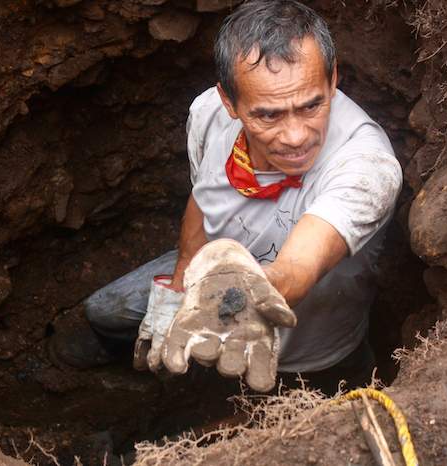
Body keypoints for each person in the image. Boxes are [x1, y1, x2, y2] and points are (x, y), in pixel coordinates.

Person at [51, 0, 402, 395]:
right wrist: (180, 286)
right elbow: (203, 199)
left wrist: (247, 293)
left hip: (316, 349)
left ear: (333, 80)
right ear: (229, 103)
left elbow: (299, 265)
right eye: (268, 115)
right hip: (209, 279)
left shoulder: (366, 164)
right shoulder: (208, 115)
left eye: (311, 105)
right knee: (104, 310)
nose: (296, 136)